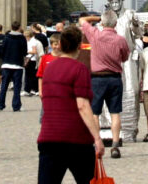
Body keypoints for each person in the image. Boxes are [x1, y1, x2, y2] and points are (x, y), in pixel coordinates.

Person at [37, 25, 103, 184]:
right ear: (79, 45)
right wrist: (97, 138)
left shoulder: (49, 68)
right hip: (76, 139)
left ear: (60, 44)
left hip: (49, 137)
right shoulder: (80, 69)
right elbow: (82, 106)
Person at [79, 11, 132, 157]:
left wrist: (97, 18)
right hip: (115, 78)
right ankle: (115, 145)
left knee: (95, 113)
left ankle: (97, 143)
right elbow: (125, 57)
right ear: (116, 23)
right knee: (115, 113)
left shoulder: (95, 35)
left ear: (102, 23)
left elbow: (82, 20)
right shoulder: (120, 40)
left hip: (97, 79)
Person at [0, 20, 28, 112]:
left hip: (6, 64)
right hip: (17, 65)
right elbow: (24, 51)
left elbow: (2, 50)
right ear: (19, 28)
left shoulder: (6, 37)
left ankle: (1, 104)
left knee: (4, 86)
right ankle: (16, 105)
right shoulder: (22, 38)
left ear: (11, 27)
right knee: (17, 86)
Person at [25, 27, 43, 96]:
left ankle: (33, 89)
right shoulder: (32, 41)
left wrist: (26, 51)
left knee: (31, 75)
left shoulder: (33, 42)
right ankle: (31, 89)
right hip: (32, 59)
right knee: (31, 75)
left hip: (32, 59)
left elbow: (35, 51)